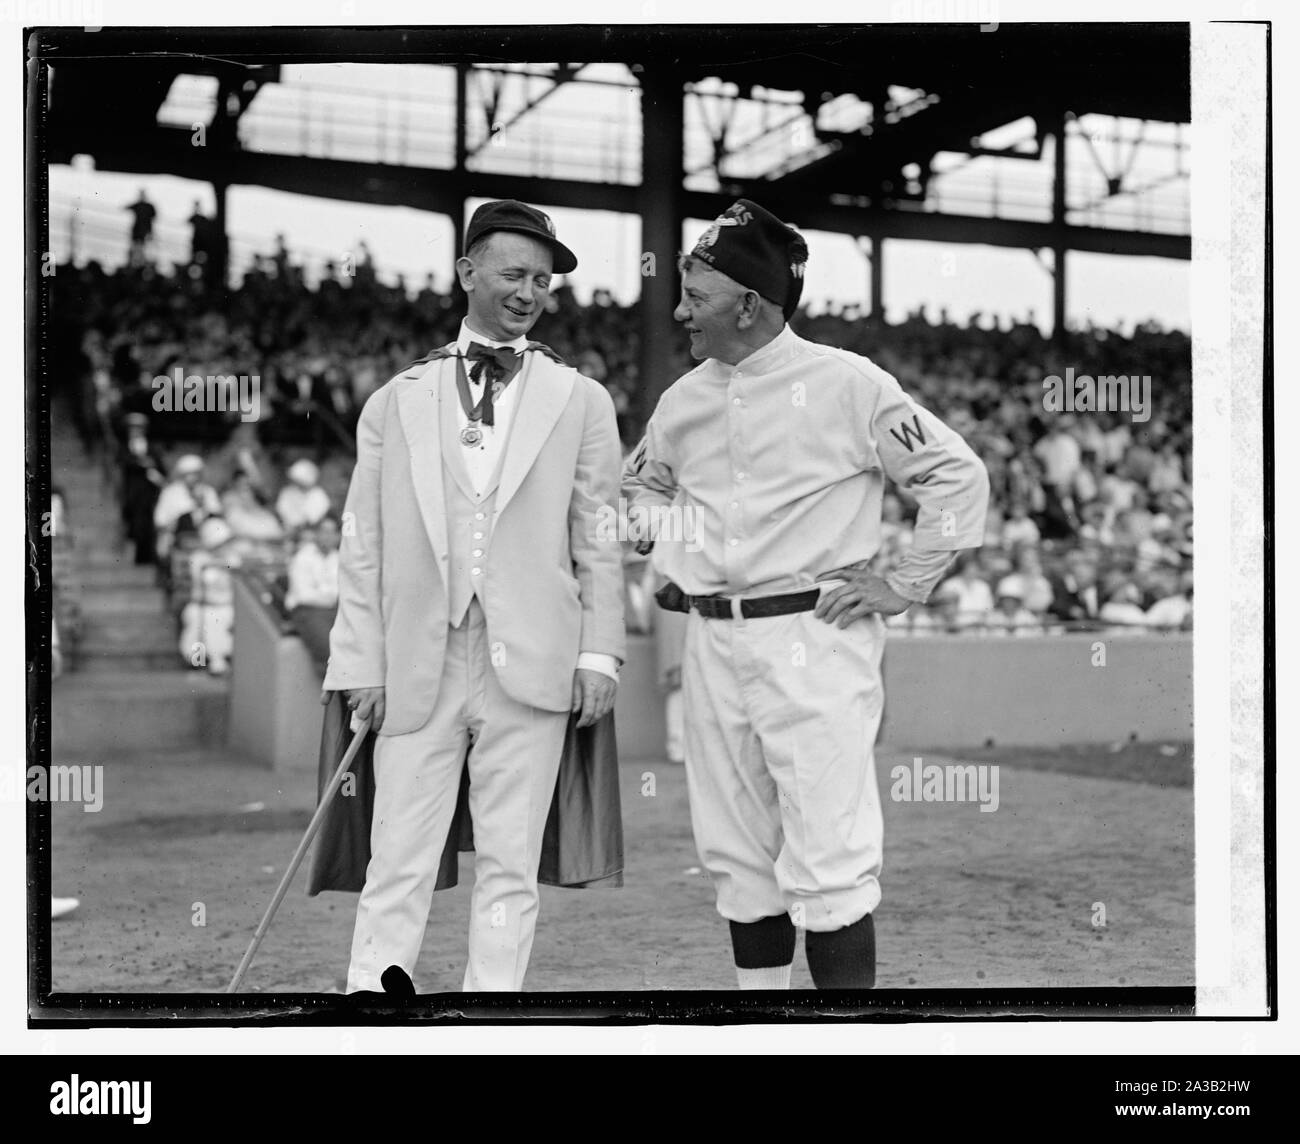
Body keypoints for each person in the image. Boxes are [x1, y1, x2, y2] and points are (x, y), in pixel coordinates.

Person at [623, 199, 989, 990]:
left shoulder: (848, 383)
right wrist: (668, 537)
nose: (681, 310)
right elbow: (640, 489)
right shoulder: (683, 398)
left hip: (812, 634)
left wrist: (902, 584)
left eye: (698, 296)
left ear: (749, 305)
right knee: (735, 850)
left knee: (828, 855)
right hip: (712, 638)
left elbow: (957, 475)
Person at [321, 199, 625, 993]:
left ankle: (488, 1022)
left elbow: (598, 536)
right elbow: (363, 545)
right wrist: (362, 662)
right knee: (398, 854)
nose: (530, 292)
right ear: (466, 272)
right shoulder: (396, 400)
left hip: (535, 663)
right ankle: (372, 1008)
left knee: (510, 864)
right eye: (513, 274)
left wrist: (600, 653)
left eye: (543, 281)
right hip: (418, 661)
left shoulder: (581, 399)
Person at [153, 455, 221, 562]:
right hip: (178, 535)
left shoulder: (208, 491)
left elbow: (216, 514)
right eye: (188, 474)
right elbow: (160, 520)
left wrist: (202, 506)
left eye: (195, 473)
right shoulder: (170, 492)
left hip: (206, 535)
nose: (192, 477)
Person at [275, 459, 331, 534]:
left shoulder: (319, 494)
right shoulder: (287, 492)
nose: (297, 483)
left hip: (311, 531)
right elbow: (281, 509)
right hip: (287, 529)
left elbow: (315, 517)